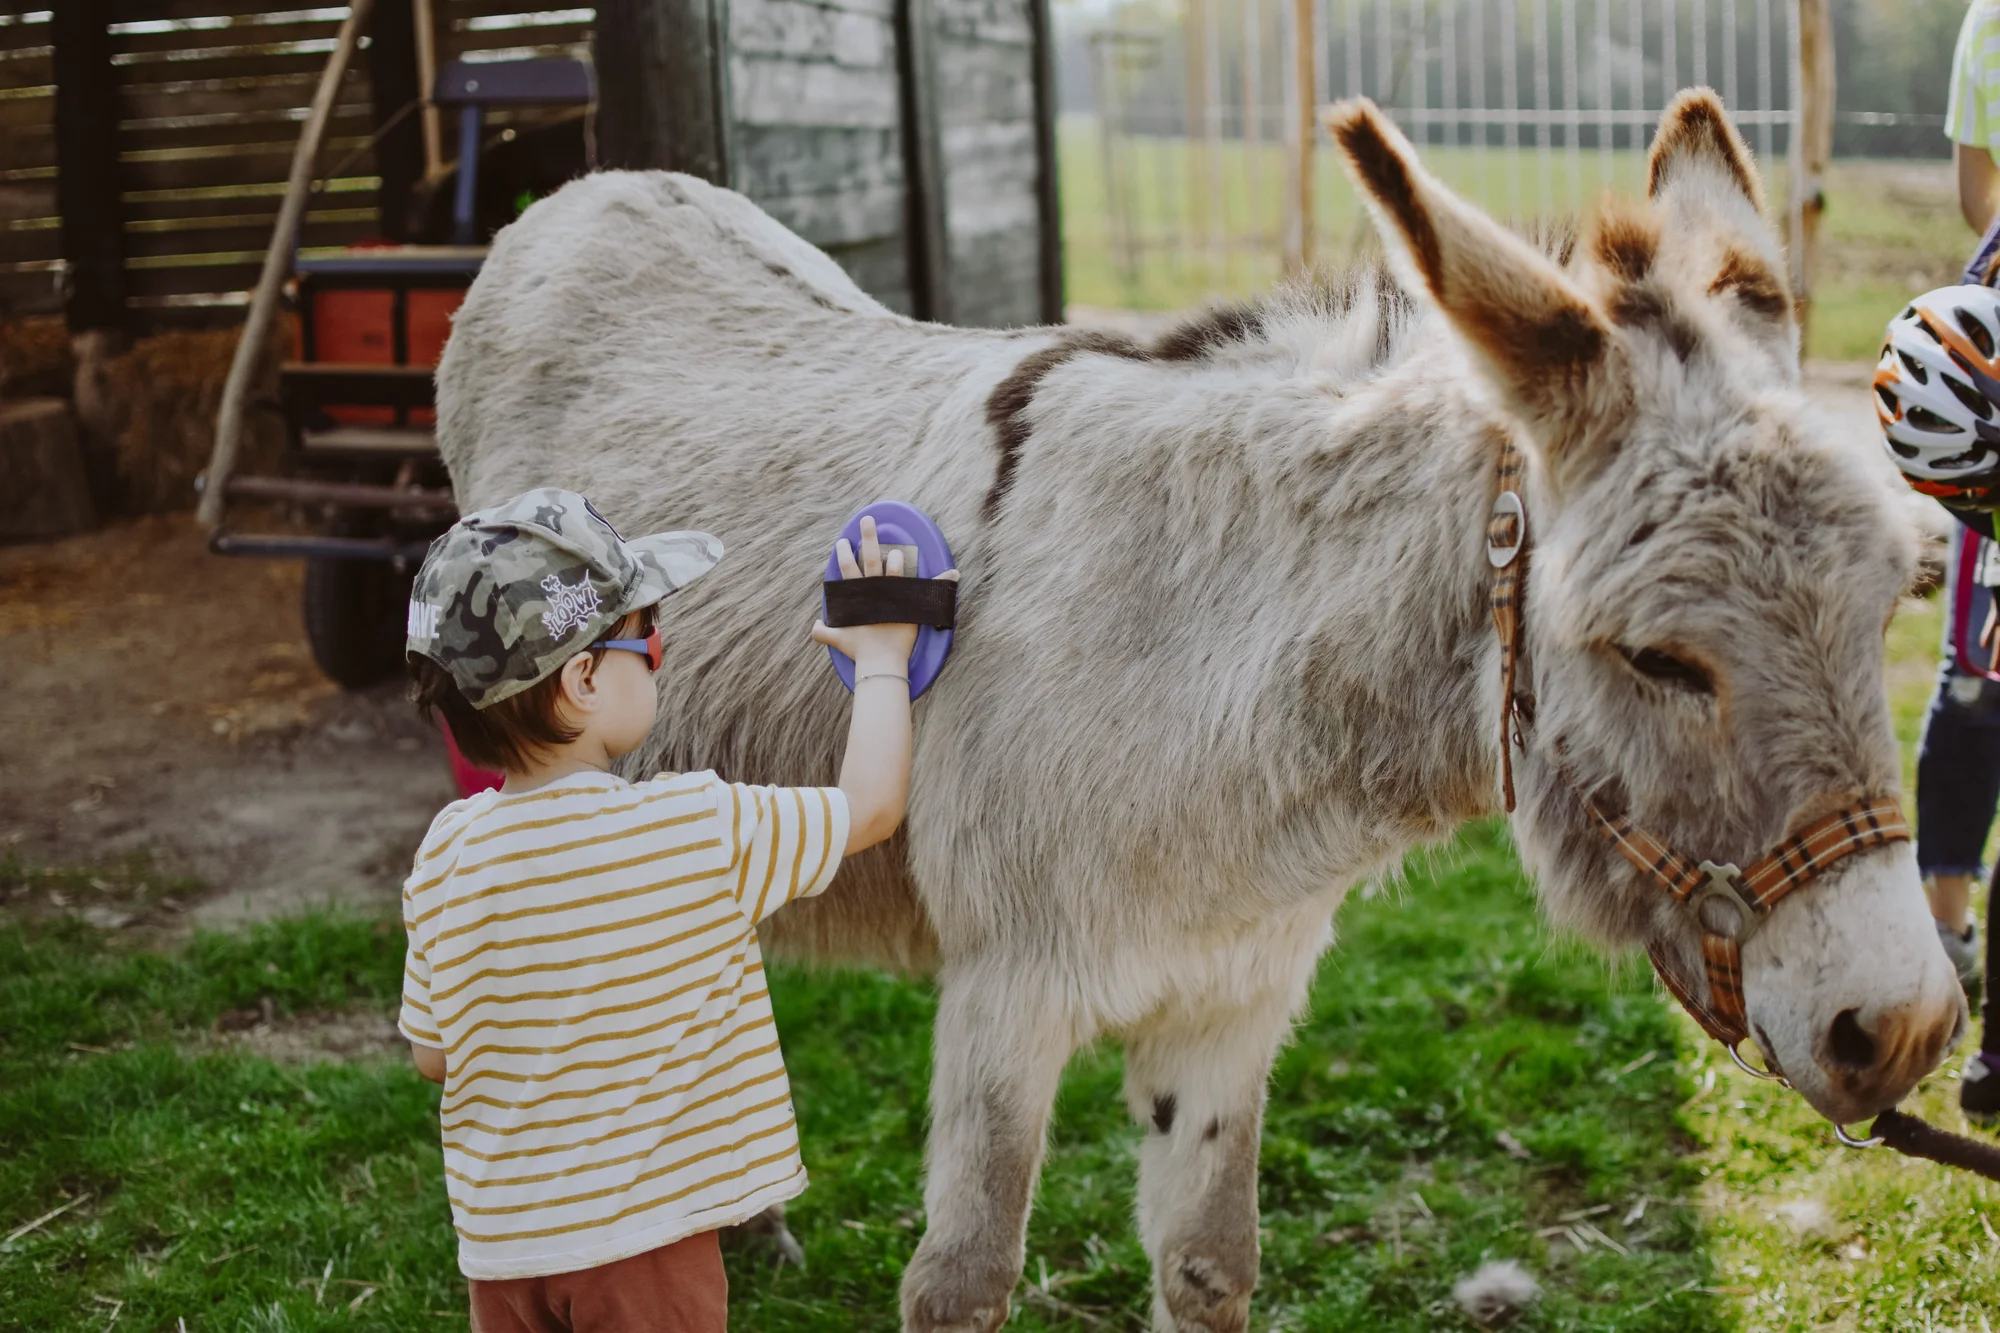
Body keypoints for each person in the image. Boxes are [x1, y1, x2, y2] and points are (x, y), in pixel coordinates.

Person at [396, 488, 953, 1329]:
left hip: (504, 1252)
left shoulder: (444, 852)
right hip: (645, 1243)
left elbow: (433, 1056)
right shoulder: (692, 825)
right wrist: (881, 654)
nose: (659, 651)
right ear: (582, 680)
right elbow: (870, 806)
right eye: (645, 637)